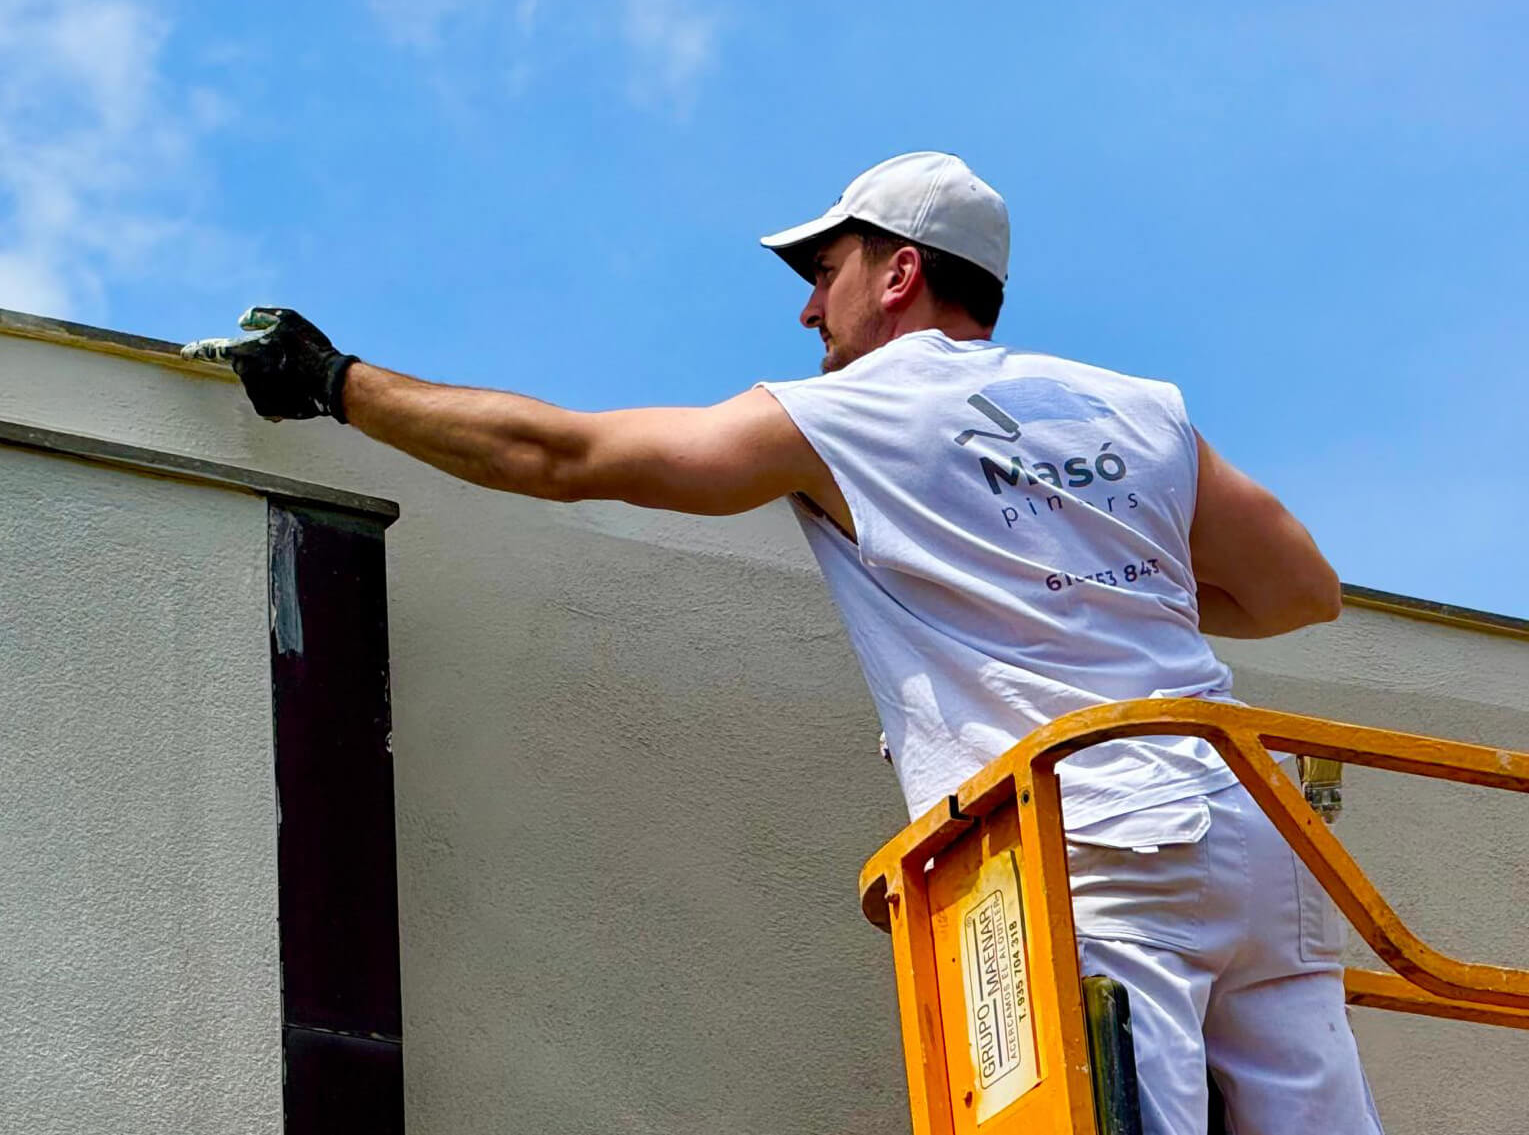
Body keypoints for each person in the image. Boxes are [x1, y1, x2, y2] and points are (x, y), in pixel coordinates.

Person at [185, 150, 1380, 1135]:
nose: (810, 304)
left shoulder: (856, 412)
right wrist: (1096, 586)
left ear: (899, 272)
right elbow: (1300, 590)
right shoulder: (1135, 406)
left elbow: (563, 455)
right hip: (1251, 832)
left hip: (1081, 838)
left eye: (827, 269)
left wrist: (338, 382)